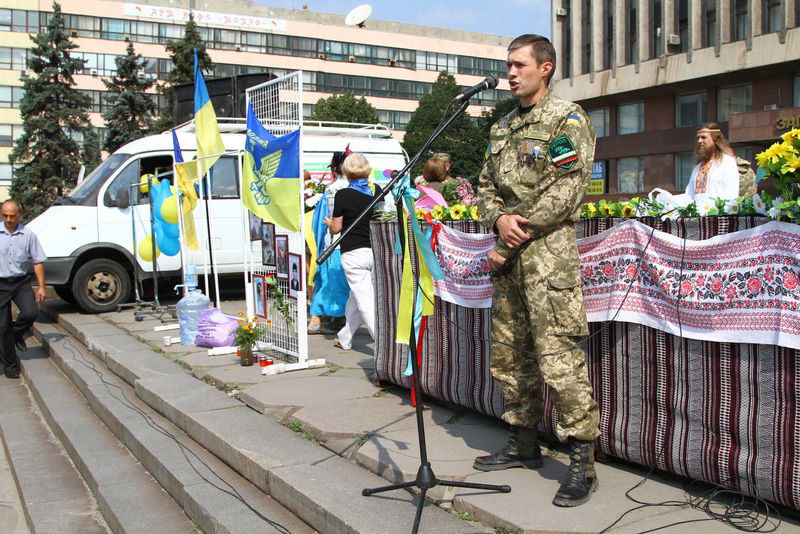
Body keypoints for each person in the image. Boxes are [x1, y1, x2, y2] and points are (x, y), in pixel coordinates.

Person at [476, 34, 600, 507]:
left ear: (544, 68)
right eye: (507, 65)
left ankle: (582, 462)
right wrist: (496, 218)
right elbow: (486, 185)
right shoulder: (502, 126)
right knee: (510, 355)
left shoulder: (566, 119)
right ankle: (522, 442)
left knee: (559, 359)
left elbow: (567, 190)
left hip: (547, 259)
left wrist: (512, 231)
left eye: (518, 65)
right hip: (509, 258)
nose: (510, 73)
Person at [324, 153, 382, 350]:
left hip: (352, 252)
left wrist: (330, 224)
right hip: (374, 251)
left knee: (365, 300)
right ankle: (345, 337)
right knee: (355, 297)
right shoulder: (377, 191)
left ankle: (384, 346)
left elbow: (336, 228)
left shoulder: (343, 194)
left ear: (347, 173)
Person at [0, 199, 46, 379]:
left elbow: (38, 261)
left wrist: (41, 286)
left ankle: (17, 333)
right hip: (1, 284)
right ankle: (11, 365)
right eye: (5, 215)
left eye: (12, 215)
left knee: (30, 312)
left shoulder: (29, 235)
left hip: (20, 282)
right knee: (2, 327)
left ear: (20, 214)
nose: (9, 219)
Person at [685, 123, 739, 201]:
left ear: (715, 139)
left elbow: (731, 193)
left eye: (703, 137)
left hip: (718, 212)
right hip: (698, 212)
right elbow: (689, 195)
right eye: (698, 138)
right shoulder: (697, 168)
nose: (699, 141)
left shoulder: (727, 162)